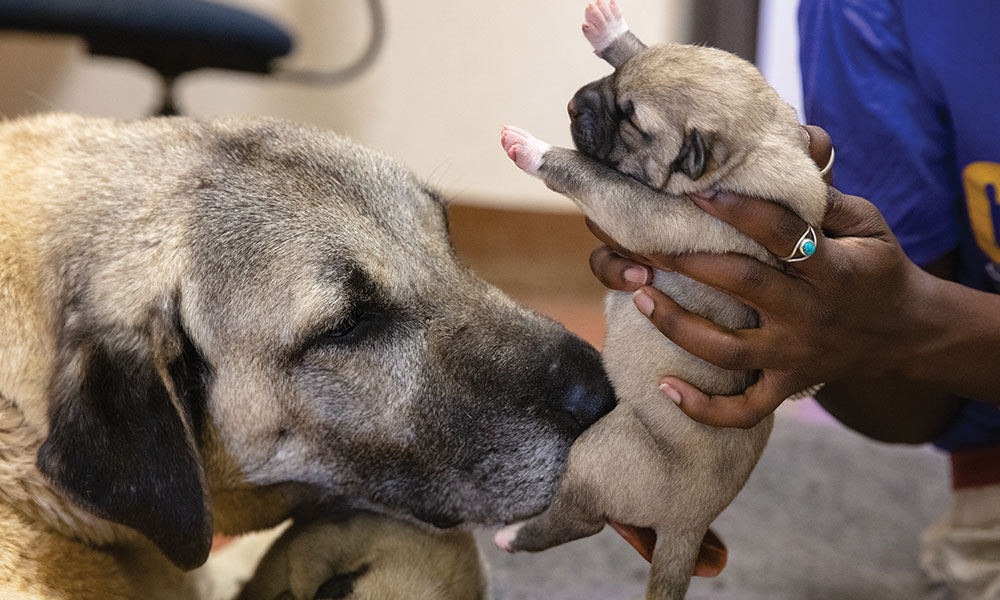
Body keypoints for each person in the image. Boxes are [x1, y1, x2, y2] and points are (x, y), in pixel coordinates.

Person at [587, 1, 1000, 597]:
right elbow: (909, 402)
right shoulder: (864, 12)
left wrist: (915, 324)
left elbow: (904, 330)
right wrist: (810, 304)